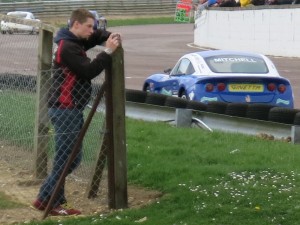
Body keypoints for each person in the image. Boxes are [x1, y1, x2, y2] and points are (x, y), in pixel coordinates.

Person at [32, 8, 121, 216]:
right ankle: (45, 199)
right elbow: (89, 71)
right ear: (76, 25)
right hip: (66, 109)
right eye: (89, 26)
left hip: (69, 109)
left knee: (67, 157)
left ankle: (54, 201)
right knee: (69, 159)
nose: (93, 30)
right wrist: (107, 51)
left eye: (94, 26)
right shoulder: (68, 48)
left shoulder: (74, 40)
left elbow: (96, 36)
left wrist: (111, 36)